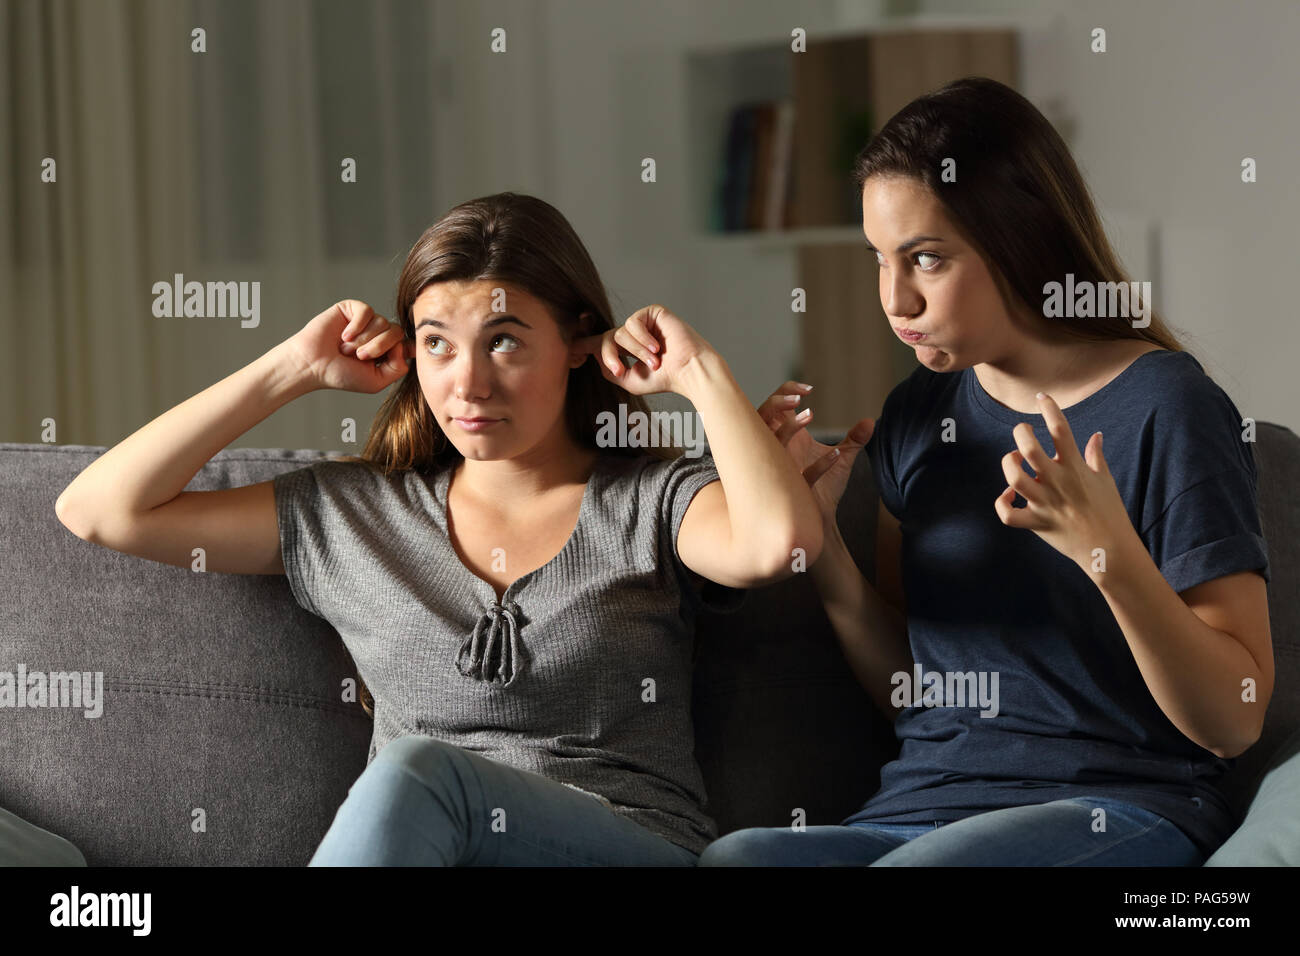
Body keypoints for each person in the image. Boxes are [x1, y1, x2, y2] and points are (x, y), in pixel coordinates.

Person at [54, 192, 824, 866]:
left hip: (623, 844)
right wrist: (292, 367)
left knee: (423, 773)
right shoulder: (355, 514)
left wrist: (698, 373)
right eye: (436, 342)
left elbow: (775, 545)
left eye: (505, 340)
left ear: (580, 343)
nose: (468, 383)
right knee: (423, 780)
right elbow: (98, 511)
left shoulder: (652, 501)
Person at [699, 77, 1273, 867]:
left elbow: (1236, 716)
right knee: (739, 861)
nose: (894, 298)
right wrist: (826, 547)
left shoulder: (1168, 404)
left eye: (926, 258)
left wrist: (1108, 555)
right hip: (921, 808)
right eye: (879, 258)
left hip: (1118, 805)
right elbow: (916, 686)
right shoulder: (916, 415)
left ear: (1018, 239)